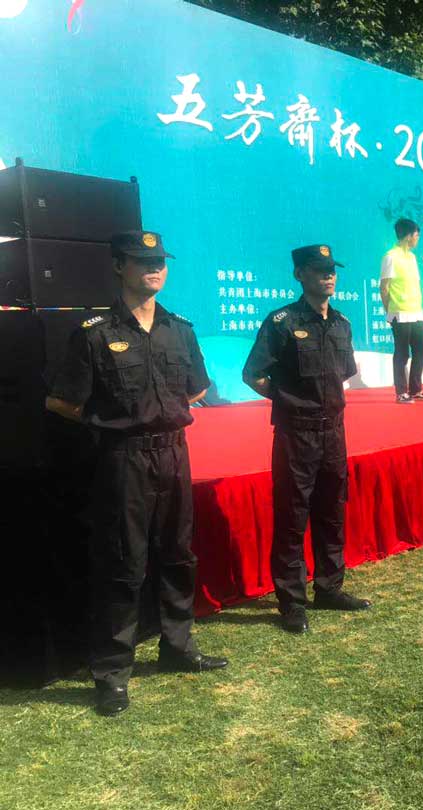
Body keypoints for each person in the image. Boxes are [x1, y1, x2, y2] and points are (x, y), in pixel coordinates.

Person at [46, 231, 227, 716]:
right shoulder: (95, 332)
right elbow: (61, 400)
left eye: (160, 261)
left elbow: (196, 387)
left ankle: (178, 646)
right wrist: (112, 422)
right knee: (124, 564)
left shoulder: (179, 329)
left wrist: (160, 410)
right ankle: (111, 673)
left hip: (174, 454)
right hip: (124, 459)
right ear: (118, 266)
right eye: (143, 261)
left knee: (179, 555)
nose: (154, 269)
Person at [242, 244, 372, 636]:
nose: (328, 276)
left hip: (333, 431)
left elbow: (343, 373)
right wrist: (287, 400)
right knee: (292, 516)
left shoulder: (342, 323)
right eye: (319, 270)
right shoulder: (282, 322)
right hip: (296, 434)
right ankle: (292, 602)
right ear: (300, 274)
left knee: (332, 511)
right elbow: (253, 374)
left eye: (332, 269)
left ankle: (329, 588)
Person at [381, 218, 423, 404]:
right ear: (408, 236)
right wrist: (389, 312)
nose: (418, 239)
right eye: (417, 235)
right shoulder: (390, 257)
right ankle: (401, 392)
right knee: (402, 354)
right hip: (400, 313)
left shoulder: (412, 258)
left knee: (421, 351)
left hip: (417, 312)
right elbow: (384, 288)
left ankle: (416, 389)